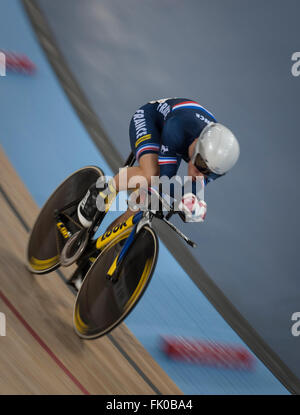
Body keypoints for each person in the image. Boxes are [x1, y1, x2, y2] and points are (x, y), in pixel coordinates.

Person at [77, 98, 240, 228]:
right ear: (197, 143)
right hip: (152, 120)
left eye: (207, 172)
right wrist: (182, 199)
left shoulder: (217, 162)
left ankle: (104, 248)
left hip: (175, 144)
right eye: (199, 164)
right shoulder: (178, 128)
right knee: (151, 175)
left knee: (146, 206)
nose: (199, 173)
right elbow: (164, 180)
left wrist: (194, 204)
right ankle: (101, 191)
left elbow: (192, 187)